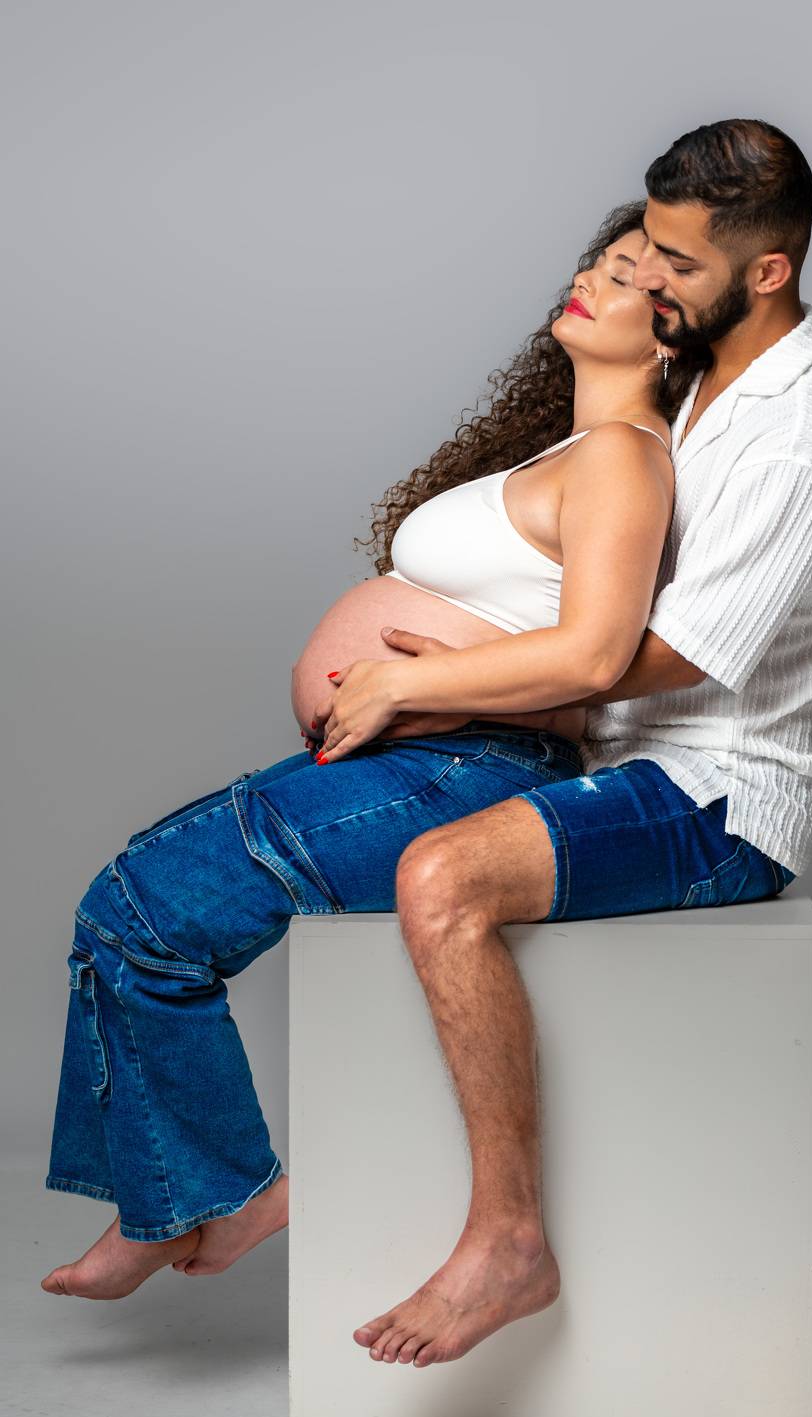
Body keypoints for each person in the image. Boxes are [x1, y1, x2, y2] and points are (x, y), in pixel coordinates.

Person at [40, 202, 684, 1304]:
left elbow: (596, 656)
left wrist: (424, 683)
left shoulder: (623, 456)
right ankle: (182, 1200)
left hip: (472, 765)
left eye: (628, 277)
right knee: (129, 907)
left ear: (670, 335)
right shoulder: (570, 452)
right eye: (600, 260)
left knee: (141, 911)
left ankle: (207, 1199)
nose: (592, 278)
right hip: (430, 756)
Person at [321, 118, 812, 1371]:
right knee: (327, 841)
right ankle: (272, 1181)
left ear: (767, 270)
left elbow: (651, 656)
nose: (648, 278)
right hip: (612, 760)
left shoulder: (796, 444)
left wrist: (444, 685)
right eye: (647, 248)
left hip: (712, 799)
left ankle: (508, 1241)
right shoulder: (700, 376)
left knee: (441, 879)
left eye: (677, 262)